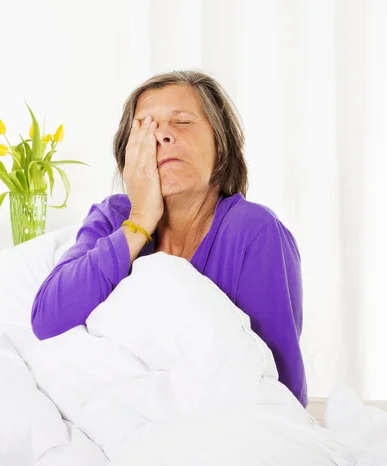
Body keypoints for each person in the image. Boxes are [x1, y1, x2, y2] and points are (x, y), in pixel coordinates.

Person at [31, 70, 307, 407]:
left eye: (182, 122)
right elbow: (47, 318)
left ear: (221, 146)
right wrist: (141, 220)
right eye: (144, 126)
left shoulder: (254, 233)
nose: (161, 136)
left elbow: (281, 389)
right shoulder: (113, 217)